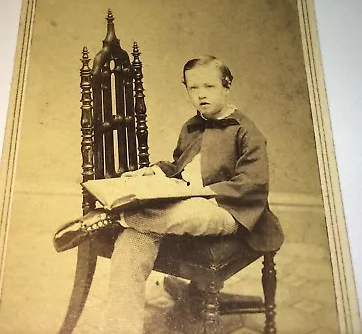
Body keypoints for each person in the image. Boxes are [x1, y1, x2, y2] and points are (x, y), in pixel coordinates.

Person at [54, 55, 284, 334]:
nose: (201, 95)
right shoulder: (191, 126)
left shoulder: (247, 132)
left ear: (227, 85)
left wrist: (200, 193)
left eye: (209, 87)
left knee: (190, 212)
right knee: (131, 244)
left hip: (227, 210)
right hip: (176, 205)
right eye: (193, 88)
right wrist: (153, 173)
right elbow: (179, 166)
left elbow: (252, 184)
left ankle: (114, 217)